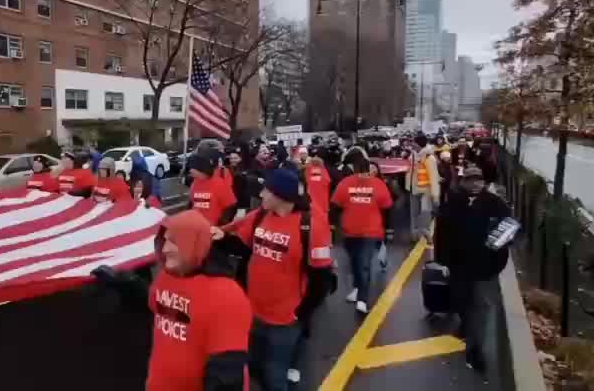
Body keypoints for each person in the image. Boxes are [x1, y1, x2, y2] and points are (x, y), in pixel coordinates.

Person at [91, 211, 252, 391]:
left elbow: (227, 376)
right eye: (165, 240)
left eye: (175, 241)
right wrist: (126, 284)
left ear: (194, 244)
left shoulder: (227, 296)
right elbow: (158, 305)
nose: (166, 249)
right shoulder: (168, 277)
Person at [213, 169, 334, 391]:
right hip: (254, 313)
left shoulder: (312, 226)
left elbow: (321, 278)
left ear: (281, 196)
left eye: (266, 191)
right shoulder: (260, 216)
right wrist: (218, 238)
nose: (261, 195)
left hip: (285, 321)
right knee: (255, 369)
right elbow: (241, 247)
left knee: (275, 376)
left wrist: (300, 314)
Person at [434, 166, 512, 373]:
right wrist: (442, 260)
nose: (475, 183)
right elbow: (441, 232)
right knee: (462, 301)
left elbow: (510, 227)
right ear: (463, 182)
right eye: (471, 179)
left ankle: (476, 351)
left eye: (479, 179)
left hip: (485, 267)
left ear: (484, 182)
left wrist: (496, 249)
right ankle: (467, 326)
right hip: (459, 265)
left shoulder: (495, 204)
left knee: (481, 306)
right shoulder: (452, 204)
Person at [332, 155, 393, 313]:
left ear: (355, 168)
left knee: (359, 263)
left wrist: (334, 225)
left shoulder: (345, 183)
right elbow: (387, 206)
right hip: (369, 231)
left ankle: (362, 299)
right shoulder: (378, 184)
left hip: (350, 231)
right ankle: (359, 291)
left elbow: (335, 205)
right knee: (360, 265)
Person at [405, 135, 441, 241]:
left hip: (425, 191)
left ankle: (427, 235)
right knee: (414, 214)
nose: (412, 144)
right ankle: (415, 235)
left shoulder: (429, 158)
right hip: (413, 189)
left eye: (414, 142)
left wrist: (435, 196)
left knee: (425, 214)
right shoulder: (412, 156)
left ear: (418, 144)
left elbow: (434, 178)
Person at [188, 153, 237, 226]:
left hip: (212, 227)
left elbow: (231, 205)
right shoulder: (195, 183)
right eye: (191, 173)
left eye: (195, 173)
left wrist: (222, 224)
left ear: (203, 170)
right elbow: (192, 202)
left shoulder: (219, 184)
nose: (192, 175)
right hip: (196, 225)